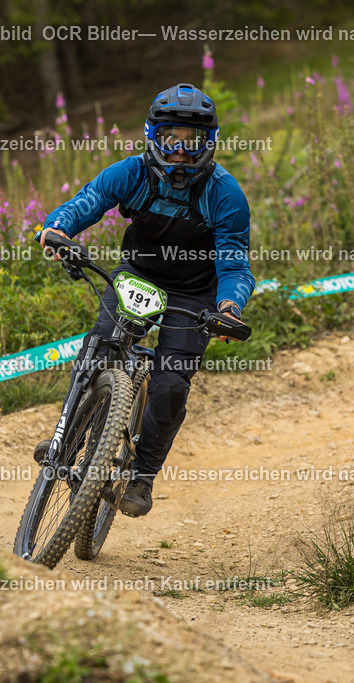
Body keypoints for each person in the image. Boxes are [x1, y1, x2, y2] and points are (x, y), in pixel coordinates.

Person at [35, 83, 255, 516]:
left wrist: (229, 308)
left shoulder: (226, 195)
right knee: (100, 346)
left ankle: (142, 476)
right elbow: (88, 202)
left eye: (191, 141)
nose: (180, 151)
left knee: (171, 384)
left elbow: (234, 265)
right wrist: (58, 230)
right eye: (171, 137)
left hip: (194, 293)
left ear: (209, 143)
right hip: (140, 276)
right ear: (153, 136)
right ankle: (67, 438)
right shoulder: (129, 172)